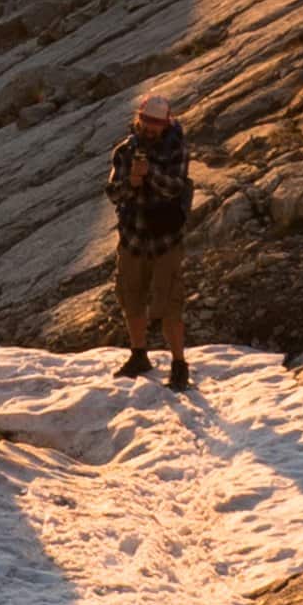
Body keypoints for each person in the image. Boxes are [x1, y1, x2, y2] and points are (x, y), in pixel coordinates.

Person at [107, 90, 193, 389]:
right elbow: (113, 193)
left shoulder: (176, 149)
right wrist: (131, 181)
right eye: (145, 122)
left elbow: (174, 187)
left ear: (166, 123)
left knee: (169, 301)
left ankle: (179, 364)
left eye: (155, 124)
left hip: (165, 238)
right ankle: (138, 354)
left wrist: (150, 174)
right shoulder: (125, 151)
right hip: (133, 236)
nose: (149, 128)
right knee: (131, 295)